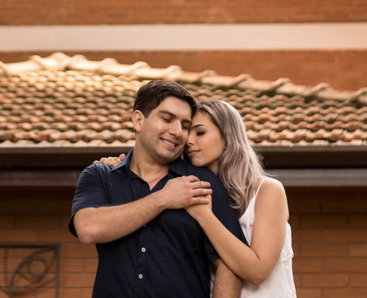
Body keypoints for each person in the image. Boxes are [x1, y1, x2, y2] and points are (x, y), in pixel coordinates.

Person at [70, 80, 247, 298]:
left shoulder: (202, 183)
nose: (177, 131)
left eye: (185, 125)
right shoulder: (101, 175)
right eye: (167, 119)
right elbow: (88, 228)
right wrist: (163, 198)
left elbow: (229, 266)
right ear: (138, 120)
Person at [185, 99, 296, 297]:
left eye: (200, 132)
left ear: (227, 136)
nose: (189, 141)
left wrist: (204, 216)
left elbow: (258, 272)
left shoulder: (267, 191)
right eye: (188, 133)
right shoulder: (194, 192)